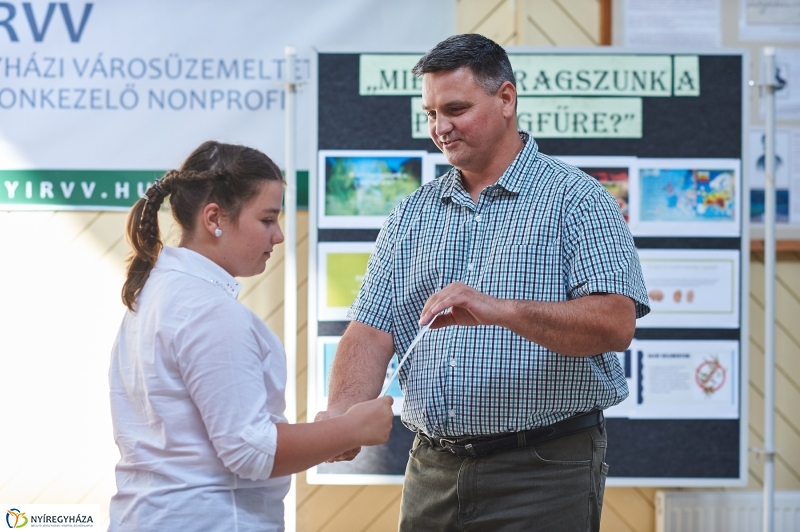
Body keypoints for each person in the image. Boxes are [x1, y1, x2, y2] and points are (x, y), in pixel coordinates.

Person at [318, 34, 650, 531]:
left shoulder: (579, 199)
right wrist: (343, 414)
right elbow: (370, 330)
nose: (440, 127)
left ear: (506, 100)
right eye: (431, 114)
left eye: (456, 109)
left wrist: (500, 310)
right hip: (432, 468)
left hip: (543, 471)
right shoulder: (411, 214)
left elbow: (615, 325)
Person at [109, 141, 393, 532]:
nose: (279, 236)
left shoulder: (156, 292)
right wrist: (351, 429)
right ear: (214, 218)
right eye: (267, 220)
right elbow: (250, 451)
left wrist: (330, 434)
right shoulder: (208, 310)